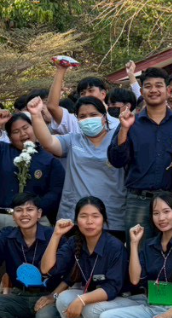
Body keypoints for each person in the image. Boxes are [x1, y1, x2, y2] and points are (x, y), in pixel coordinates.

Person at [40, 197, 140, 318]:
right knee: (64, 298)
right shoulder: (75, 242)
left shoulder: (114, 245)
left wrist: (82, 299)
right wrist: (56, 235)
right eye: (83, 216)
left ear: (104, 220)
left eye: (95, 216)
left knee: (90, 305)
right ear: (76, 220)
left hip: (123, 300)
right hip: (100, 299)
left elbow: (112, 288)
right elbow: (47, 269)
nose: (89, 221)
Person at [109, 67, 172, 231]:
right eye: (148, 86)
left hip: (171, 201)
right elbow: (116, 160)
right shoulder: (130, 123)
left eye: (159, 85)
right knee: (137, 251)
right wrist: (124, 129)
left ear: (168, 90)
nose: (154, 90)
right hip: (138, 201)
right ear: (141, 91)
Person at [27, 97, 129, 234]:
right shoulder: (73, 139)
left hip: (112, 216)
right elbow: (48, 142)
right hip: (73, 216)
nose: (88, 119)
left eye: (93, 115)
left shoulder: (118, 139)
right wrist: (35, 115)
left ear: (105, 117)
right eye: (82, 116)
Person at [0, 109, 65, 224]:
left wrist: (34, 211)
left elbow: (55, 192)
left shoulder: (50, 160)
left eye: (26, 128)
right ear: (10, 137)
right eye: (16, 131)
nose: (23, 134)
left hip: (32, 221)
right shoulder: (1, 150)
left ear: (34, 128)